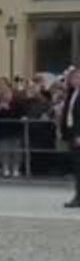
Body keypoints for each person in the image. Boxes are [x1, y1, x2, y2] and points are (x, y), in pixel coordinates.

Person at [61, 68, 80, 209]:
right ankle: (78, 196)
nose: (74, 80)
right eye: (73, 78)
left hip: (78, 135)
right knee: (76, 167)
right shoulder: (72, 93)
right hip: (71, 134)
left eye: (77, 77)